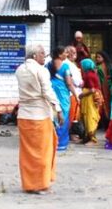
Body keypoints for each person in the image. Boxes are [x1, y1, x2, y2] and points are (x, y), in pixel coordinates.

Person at [16, 44, 61, 194]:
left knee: (27, 152)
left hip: (23, 115)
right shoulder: (41, 70)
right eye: (42, 54)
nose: (45, 56)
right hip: (39, 115)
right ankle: (40, 185)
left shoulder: (19, 70)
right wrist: (58, 109)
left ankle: (29, 184)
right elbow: (47, 92)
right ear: (35, 56)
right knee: (42, 151)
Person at [48, 46, 78, 151]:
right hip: (63, 94)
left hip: (51, 92)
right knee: (63, 116)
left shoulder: (48, 65)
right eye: (65, 53)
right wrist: (76, 95)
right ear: (60, 55)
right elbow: (69, 83)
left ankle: (52, 142)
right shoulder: (65, 67)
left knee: (53, 116)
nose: (67, 54)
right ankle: (61, 143)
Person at [78, 58, 103, 144]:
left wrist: (82, 95)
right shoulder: (92, 73)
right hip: (91, 97)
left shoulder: (88, 75)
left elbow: (92, 89)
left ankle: (92, 139)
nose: (81, 67)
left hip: (90, 98)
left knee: (89, 118)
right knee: (89, 117)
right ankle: (88, 137)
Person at [94, 51, 112, 124]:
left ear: (103, 58)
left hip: (104, 87)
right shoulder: (105, 66)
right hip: (105, 87)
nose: (97, 59)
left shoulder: (99, 67)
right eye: (96, 57)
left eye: (99, 57)